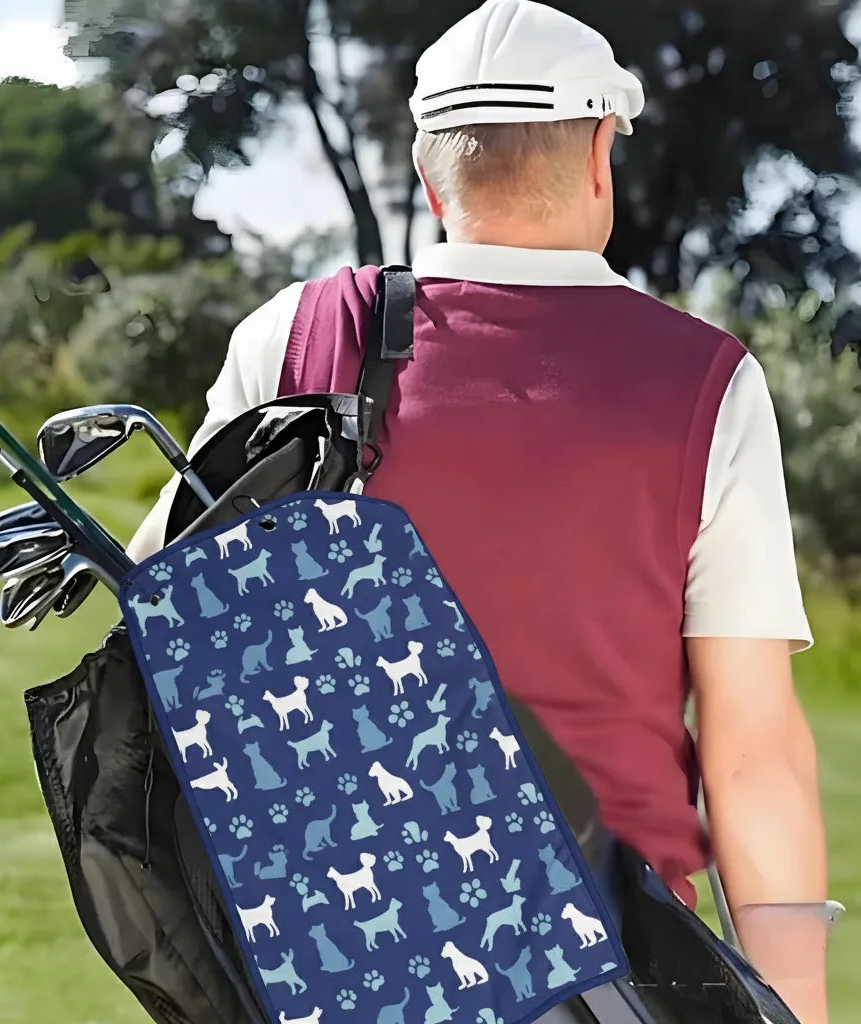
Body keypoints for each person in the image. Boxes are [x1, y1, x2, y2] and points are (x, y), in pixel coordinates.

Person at [128, 1, 831, 1019]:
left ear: (427, 176)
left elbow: (173, 627)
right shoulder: (707, 380)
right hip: (619, 968)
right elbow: (750, 742)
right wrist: (794, 998)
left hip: (344, 963)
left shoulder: (296, 335)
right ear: (600, 154)